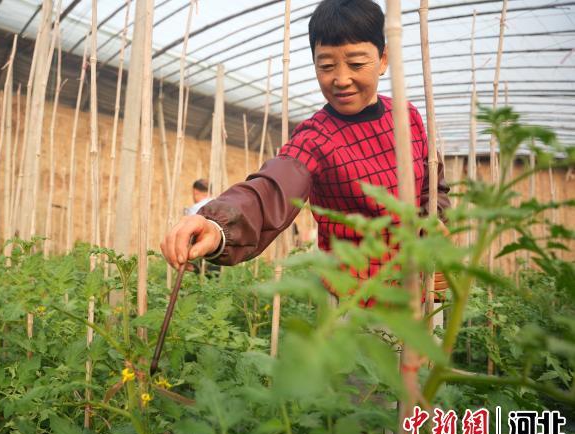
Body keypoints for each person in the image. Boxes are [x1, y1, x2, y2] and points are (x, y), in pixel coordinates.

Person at [161, 0, 450, 288]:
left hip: (421, 285)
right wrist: (216, 225)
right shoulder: (315, 139)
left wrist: (435, 221)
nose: (341, 79)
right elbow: (272, 189)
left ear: (383, 59)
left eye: (356, 64)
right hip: (356, 298)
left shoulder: (407, 117)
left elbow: (431, 184)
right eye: (326, 66)